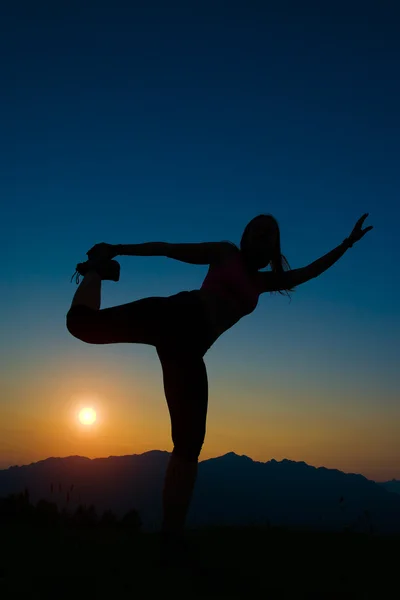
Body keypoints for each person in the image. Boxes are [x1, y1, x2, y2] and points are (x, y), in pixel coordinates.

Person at [66, 212, 373, 566]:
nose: (260, 235)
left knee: (189, 444)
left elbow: (310, 272)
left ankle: (171, 538)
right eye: (255, 229)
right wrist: (116, 249)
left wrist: (346, 245)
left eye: (268, 233)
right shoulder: (224, 253)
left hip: (189, 351)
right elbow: (168, 249)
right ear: (244, 237)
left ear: (274, 246)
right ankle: (97, 271)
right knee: (82, 325)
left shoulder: (262, 283)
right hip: (174, 315)